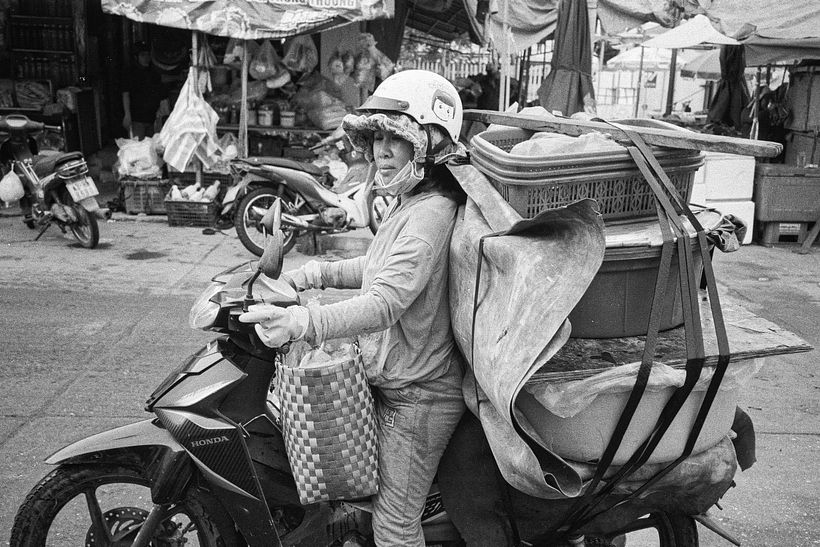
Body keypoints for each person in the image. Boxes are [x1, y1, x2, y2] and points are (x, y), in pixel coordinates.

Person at [239, 70, 468, 546]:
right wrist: (313, 274)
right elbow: (379, 266)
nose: (380, 151)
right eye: (377, 137)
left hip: (419, 397)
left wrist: (303, 321)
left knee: (393, 523)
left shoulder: (431, 215)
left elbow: (385, 303)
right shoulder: (412, 202)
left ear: (429, 143)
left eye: (394, 139)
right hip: (393, 378)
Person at [122, 41, 168, 139]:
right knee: (138, 148)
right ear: (136, 57)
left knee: (149, 148)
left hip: (151, 118)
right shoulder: (130, 73)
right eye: (143, 55)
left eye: (148, 55)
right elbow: (126, 94)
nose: (146, 58)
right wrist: (127, 115)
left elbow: (162, 81)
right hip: (137, 119)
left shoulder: (152, 73)